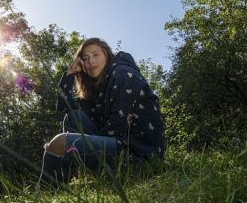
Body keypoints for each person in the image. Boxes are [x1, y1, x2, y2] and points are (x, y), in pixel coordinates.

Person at [39, 38, 166, 186]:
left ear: (106, 54)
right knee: (73, 117)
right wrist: (69, 75)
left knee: (61, 142)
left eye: (95, 55)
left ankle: (45, 190)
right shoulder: (96, 89)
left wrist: (68, 146)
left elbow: (117, 126)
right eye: (85, 59)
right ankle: (73, 178)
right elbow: (63, 106)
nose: (90, 61)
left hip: (140, 158)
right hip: (120, 144)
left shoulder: (121, 73)